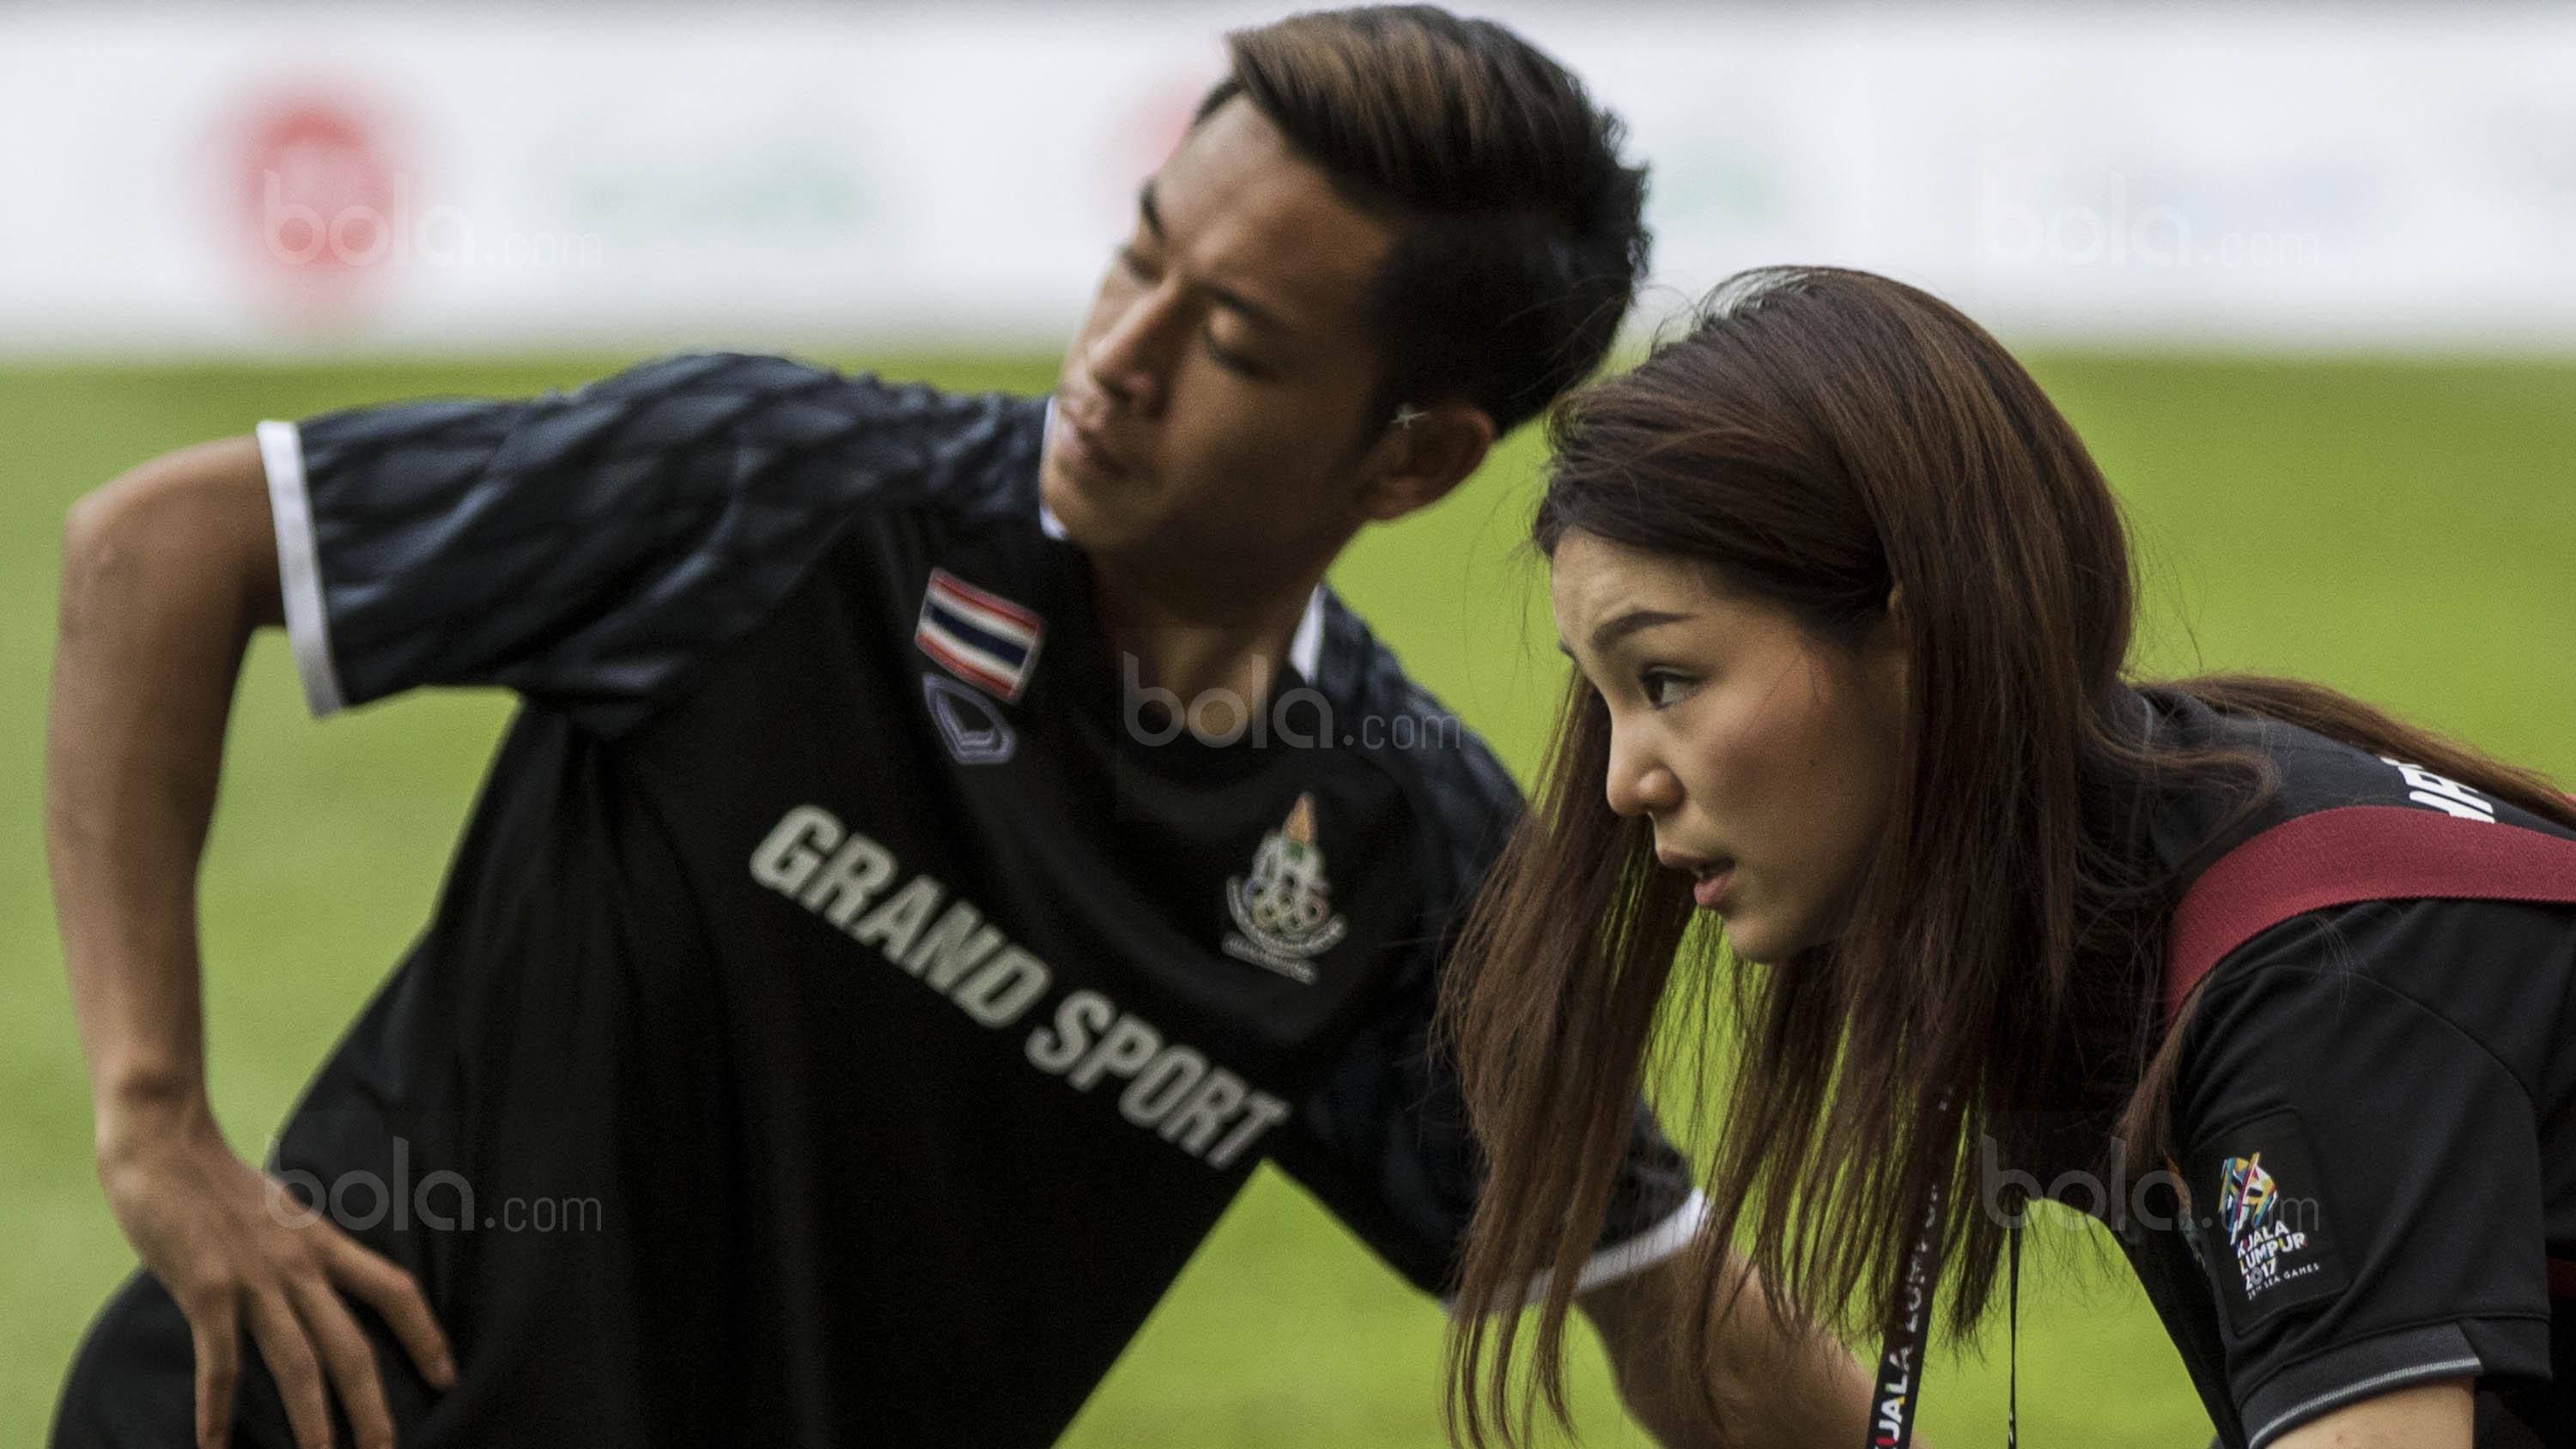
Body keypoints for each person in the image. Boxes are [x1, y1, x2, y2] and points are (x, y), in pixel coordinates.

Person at [47, 11, 1885, 1449]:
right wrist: (154, 1128)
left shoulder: (1392, 852)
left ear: (1412, 459)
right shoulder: (782, 497)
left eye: (1230, 340)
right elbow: (162, 548)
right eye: (1134, 259)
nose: (1116, 357)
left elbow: (1675, 1307)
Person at [1441, 265, 2576, 1449]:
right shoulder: (2145, 848)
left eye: (1667, 679)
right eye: (1608, 700)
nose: (1624, 781)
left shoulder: (2311, 964)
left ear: (1915, 624)